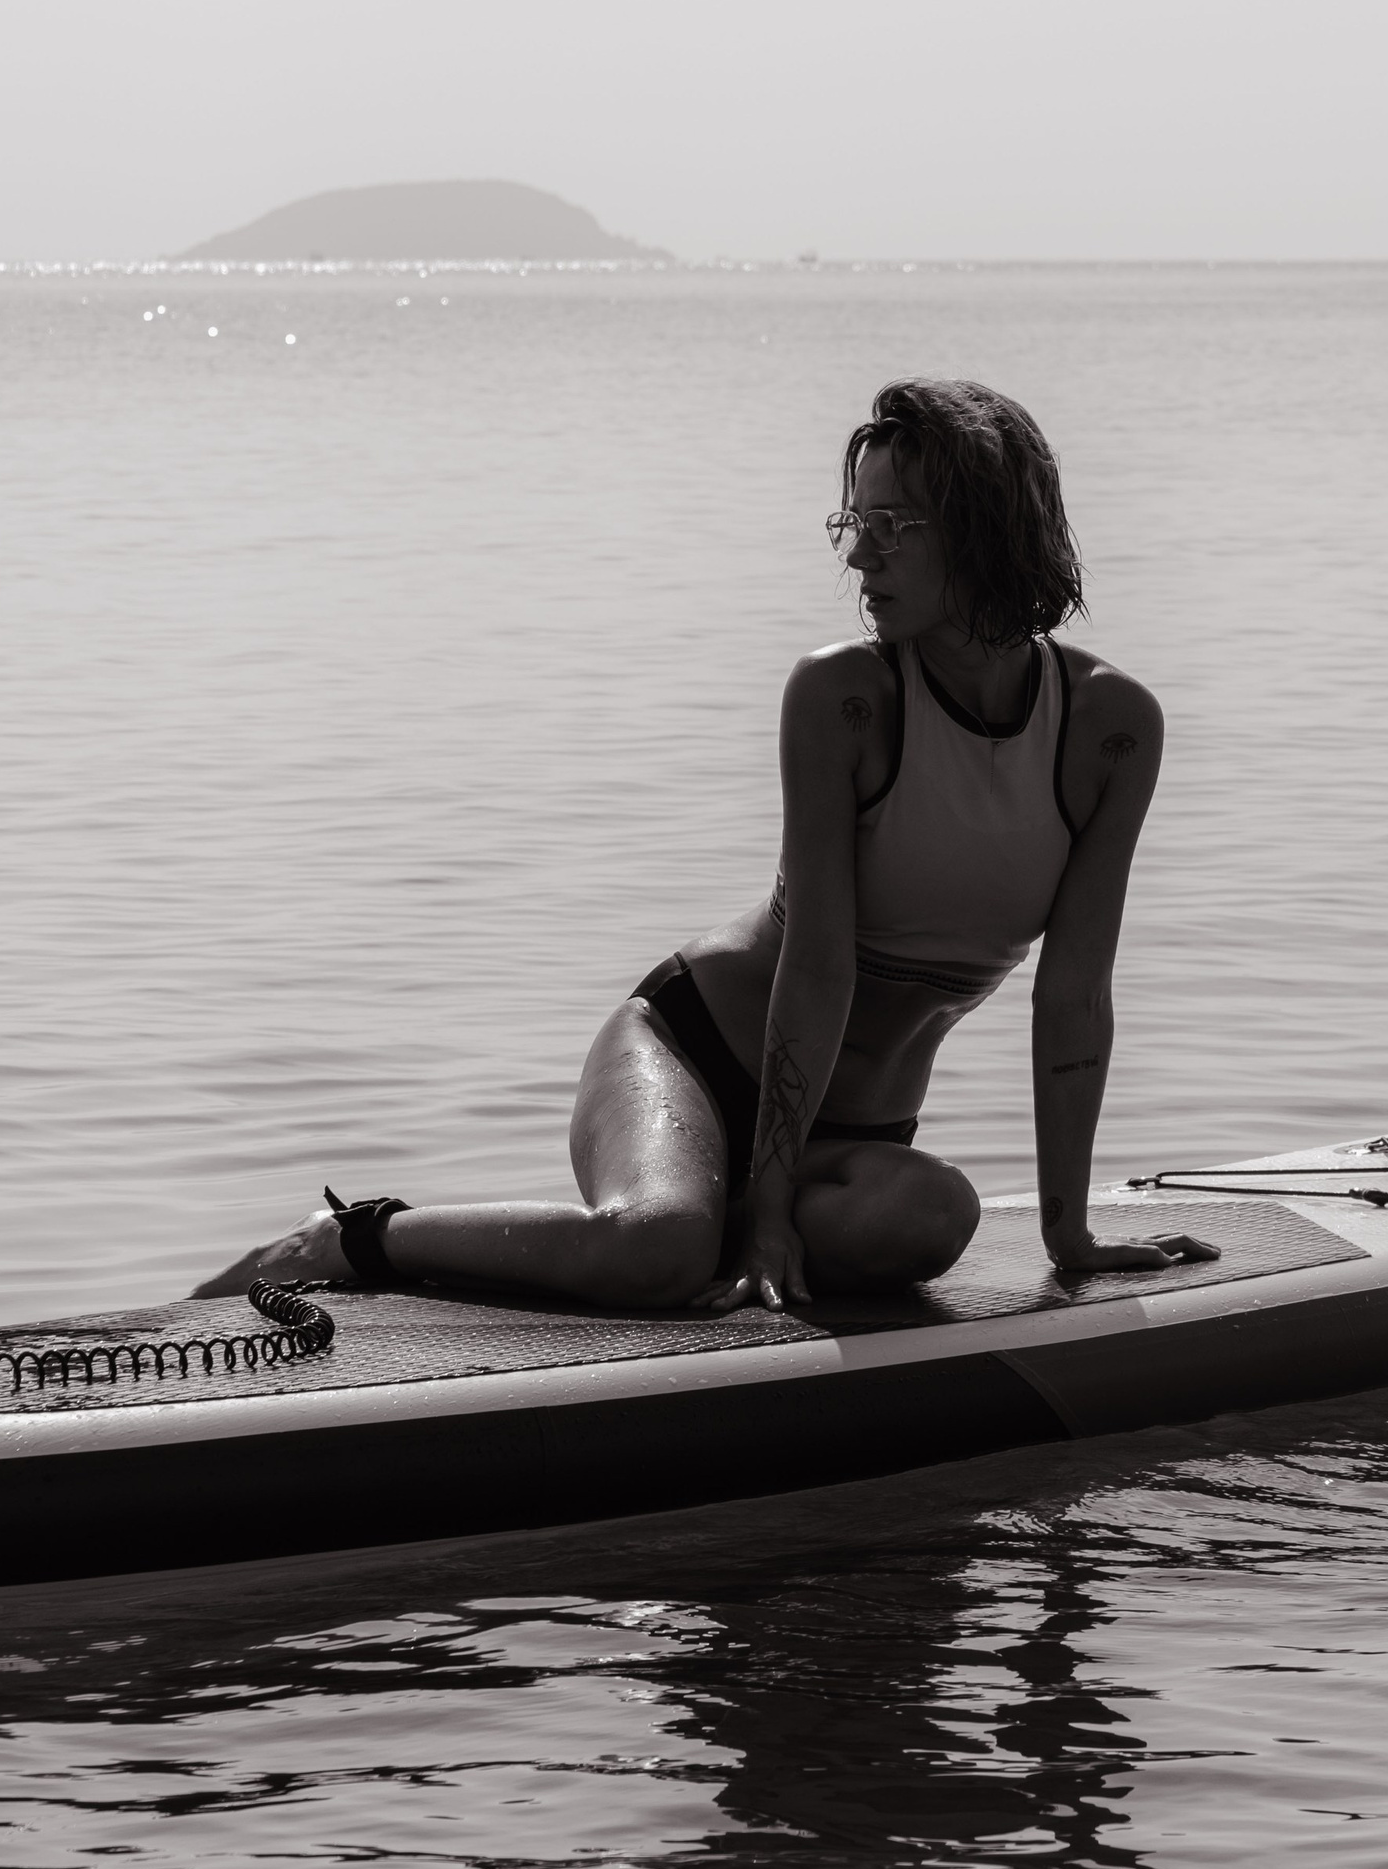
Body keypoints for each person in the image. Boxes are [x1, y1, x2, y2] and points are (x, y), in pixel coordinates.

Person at [197, 377, 1203, 1315]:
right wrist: (763, 1211)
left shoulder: (1107, 728)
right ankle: (351, 1237)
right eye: (856, 521)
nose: (859, 556)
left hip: (851, 1131)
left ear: (986, 534)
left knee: (933, 1215)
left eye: (893, 525)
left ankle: (707, 1218)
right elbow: (814, 964)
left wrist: (1071, 1232)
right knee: (662, 1246)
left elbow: (1073, 992)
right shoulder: (844, 697)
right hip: (689, 1052)